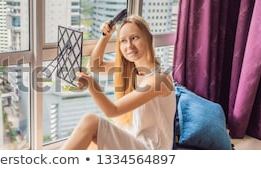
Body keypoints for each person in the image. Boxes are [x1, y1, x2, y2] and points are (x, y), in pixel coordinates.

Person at [60, 15, 176, 150]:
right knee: (89, 144)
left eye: (134, 38)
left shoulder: (159, 78)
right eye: (123, 41)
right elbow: (95, 66)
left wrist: (91, 85)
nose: (129, 46)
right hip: (132, 141)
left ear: (148, 38)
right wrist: (105, 36)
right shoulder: (130, 69)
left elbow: (112, 111)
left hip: (152, 150)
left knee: (90, 121)